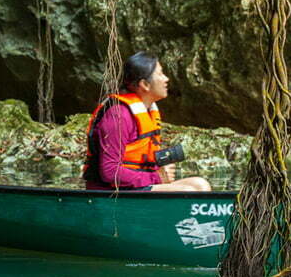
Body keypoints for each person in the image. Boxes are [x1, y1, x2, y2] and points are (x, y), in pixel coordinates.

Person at [83, 51, 211, 192]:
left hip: (137, 186)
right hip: (111, 192)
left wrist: (158, 171)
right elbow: (110, 172)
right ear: (144, 84)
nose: (166, 79)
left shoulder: (148, 111)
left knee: (201, 184)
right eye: (160, 74)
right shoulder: (118, 116)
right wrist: (156, 177)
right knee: (187, 192)